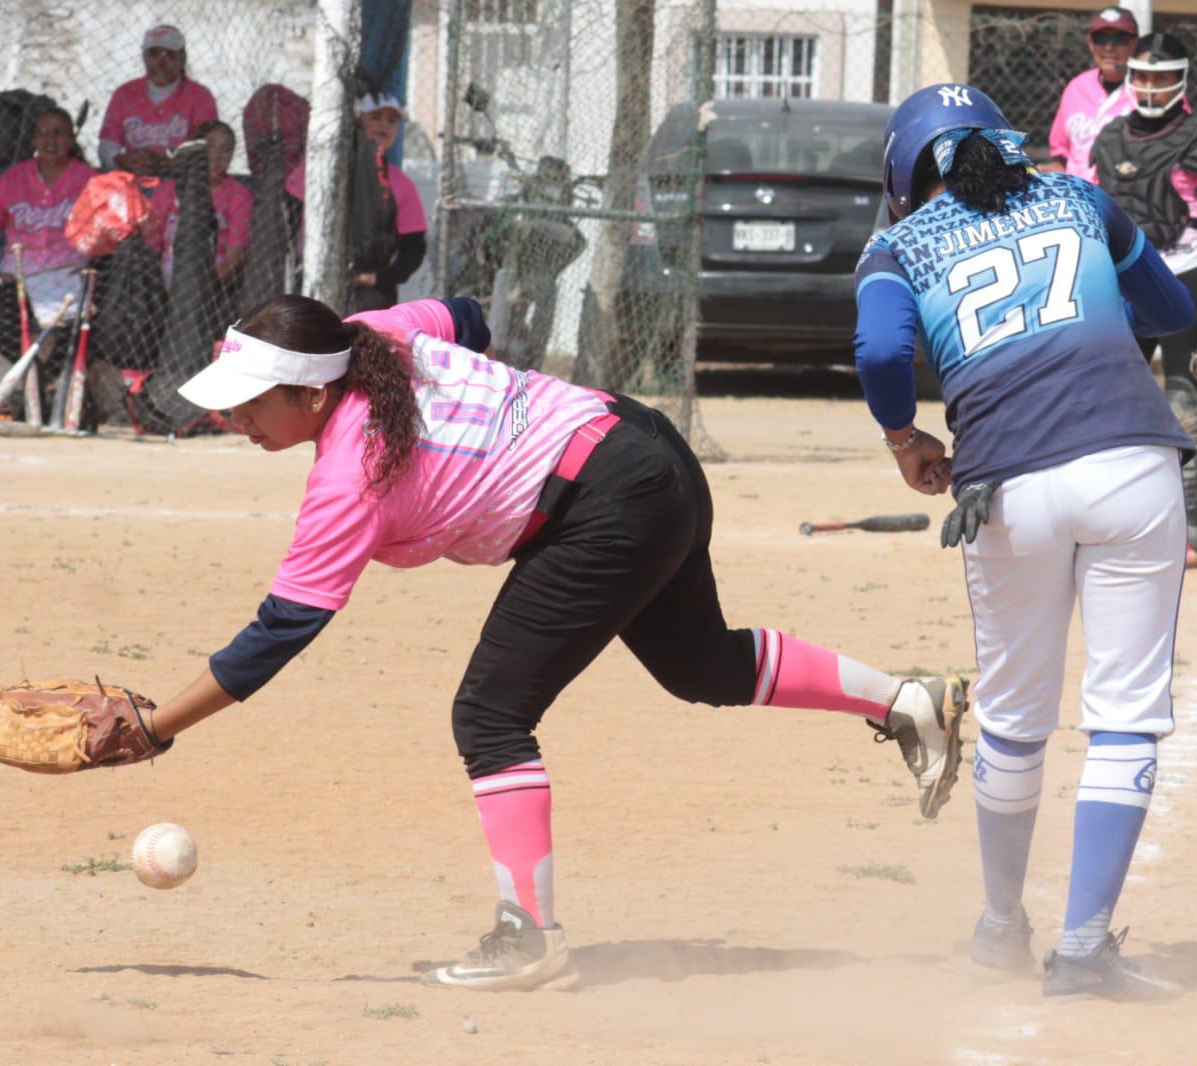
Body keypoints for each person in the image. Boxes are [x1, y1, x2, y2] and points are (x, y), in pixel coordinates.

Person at [127, 293, 967, 992]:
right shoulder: (367, 334)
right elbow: (466, 316)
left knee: (490, 714)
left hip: (606, 505)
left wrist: (157, 726)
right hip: (641, 447)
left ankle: (529, 936)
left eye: (250, 400)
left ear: (314, 396)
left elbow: (281, 633)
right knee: (701, 666)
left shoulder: (352, 474)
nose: (232, 416)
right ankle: (905, 701)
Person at [854, 83, 1197, 1000]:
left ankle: (1003, 925)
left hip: (1004, 485)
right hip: (1130, 462)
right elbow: (1170, 308)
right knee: (1123, 710)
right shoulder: (1076, 196)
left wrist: (904, 437)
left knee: (1014, 716)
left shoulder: (895, 245)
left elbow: (883, 354)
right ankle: (1085, 950)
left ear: (903, 172)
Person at [1091, 32, 1197, 567]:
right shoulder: (1106, 138)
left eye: (1162, 76)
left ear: (1182, 79)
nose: (1151, 87)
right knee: (1109, 405)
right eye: (1143, 76)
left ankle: (1196, 529)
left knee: (1185, 405)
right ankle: (1116, 520)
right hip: (1122, 281)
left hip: (1182, 274)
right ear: (1129, 78)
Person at [0, 107, 96, 371]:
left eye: (59, 133)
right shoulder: (15, 177)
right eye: (43, 133)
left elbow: (109, 233)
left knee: (84, 332)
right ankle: (36, 377)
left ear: (72, 138)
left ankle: (48, 382)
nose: (51, 141)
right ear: (33, 140)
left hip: (71, 273)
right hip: (18, 275)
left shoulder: (89, 179)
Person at [283, 93, 427, 311]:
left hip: (371, 290)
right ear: (358, 122)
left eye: (391, 121)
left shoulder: (400, 183)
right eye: (376, 117)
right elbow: (289, 211)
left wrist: (377, 278)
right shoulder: (324, 167)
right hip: (315, 276)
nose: (384, 126)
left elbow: (414, 247)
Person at [97, 24, 218, 177]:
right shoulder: (125, 94)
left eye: (169, 55)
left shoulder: (200, 96)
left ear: (182, 59)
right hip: (133, 181)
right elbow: (106, 148)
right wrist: (126, 161)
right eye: (153, 55)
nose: (161, 62)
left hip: (182, 183)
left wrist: (169, 163)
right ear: (144, 59)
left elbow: (208, 150)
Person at [144, 121, 252, 288]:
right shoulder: (168, 190)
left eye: (226, 150)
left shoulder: (239, 195)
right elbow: (151, 244)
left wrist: (203, 295)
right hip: (164, 279)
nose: (217, 157)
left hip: (211, 282)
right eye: (210, 148)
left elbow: (234, 255)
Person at [1045, 7, 1140, 181]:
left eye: (1119, 39)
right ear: (1090, 42)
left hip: (1127, 199)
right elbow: (1062, 151)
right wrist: (1054, 168)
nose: (1109, 47)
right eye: (1101, 39)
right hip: (1079, 198)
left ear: (1135, 43)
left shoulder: (1150, 89)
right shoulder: (1076, 88)